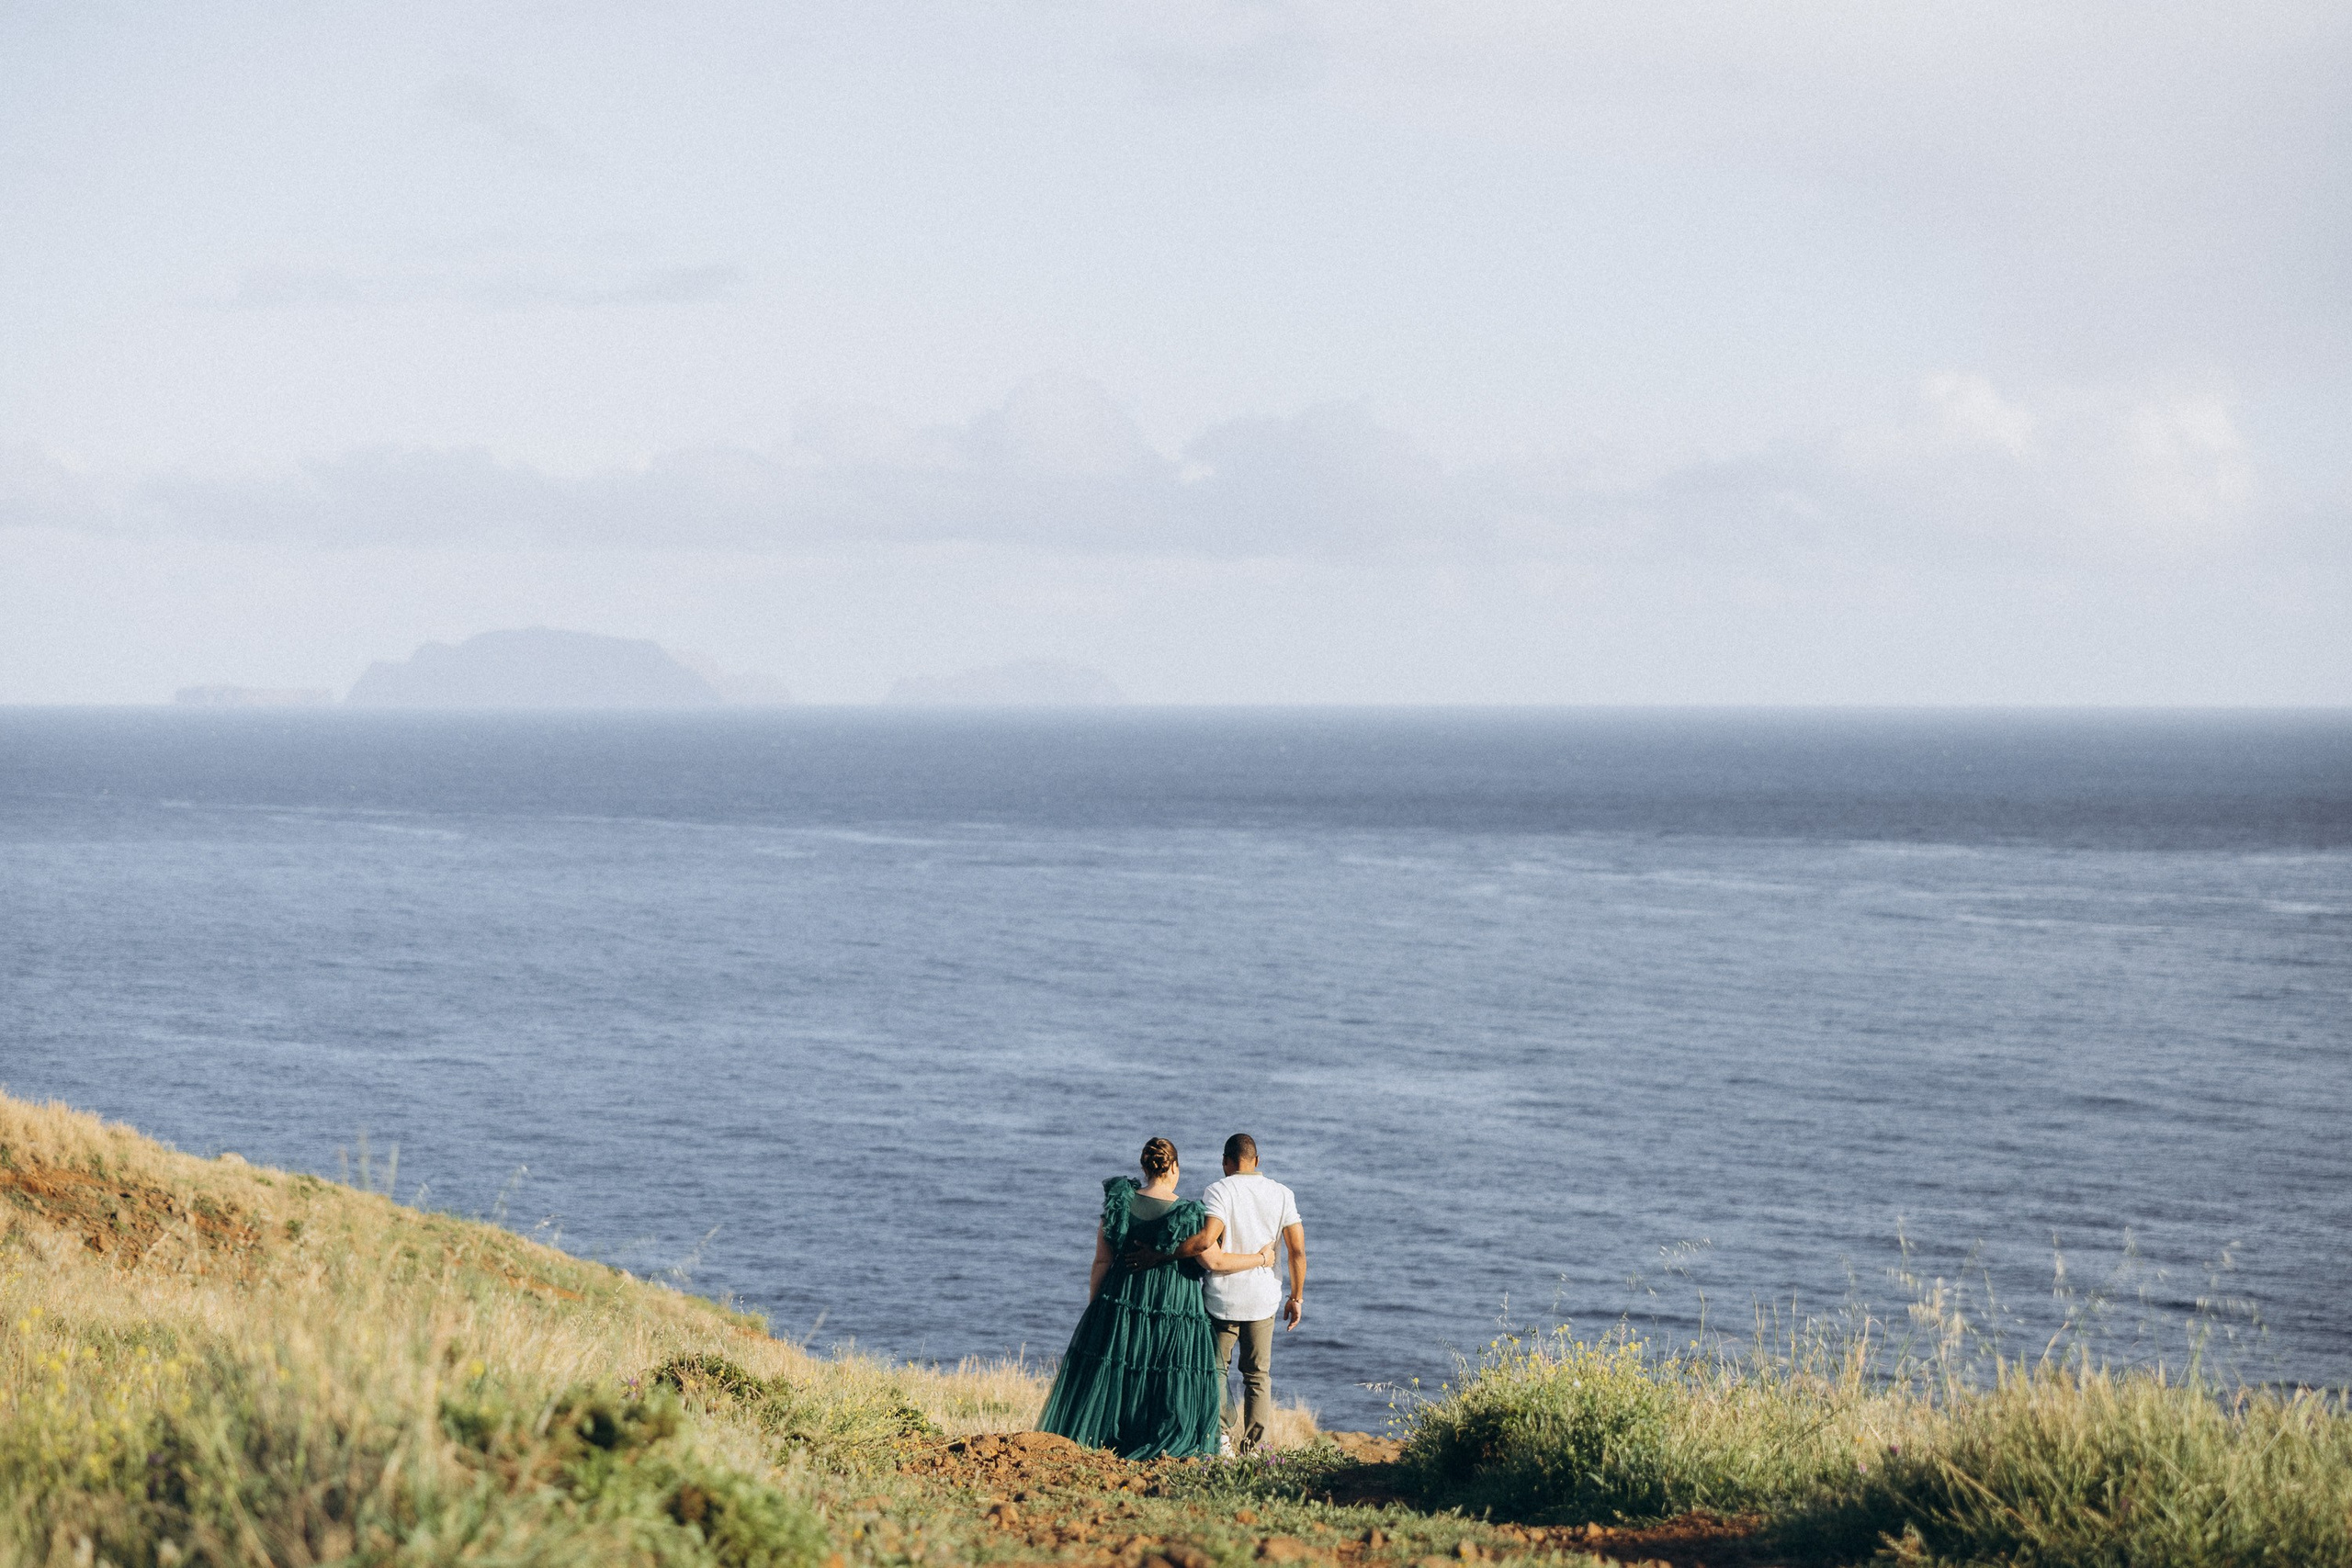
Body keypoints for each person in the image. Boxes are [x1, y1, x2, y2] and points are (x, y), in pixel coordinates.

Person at [1036, 1136, 1274, 1461]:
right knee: (1166, 1374)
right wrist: (1262, 1258)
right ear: (1174, 1167)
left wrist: (1098, 1308)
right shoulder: (1188, 1214)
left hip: (1122, 1298)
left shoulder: (1120, 1203)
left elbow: (1102, 1261)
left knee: (1123, 1370)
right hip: (1173, 1305)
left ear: (1145, 1167)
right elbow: (1215, 1261)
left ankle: (1111, 1440)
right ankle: (1160, 1440)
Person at [1162, 1133, 1305, 1453]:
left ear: (1225, 1162)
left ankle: (1221, 1440)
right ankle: (1254, 1449)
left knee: (1217, 1370)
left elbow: (1205, 1240)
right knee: (1258, 1376)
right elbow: (1297, 1251)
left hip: (1223, 1299)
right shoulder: (1282, 1194)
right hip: (1262, 1300)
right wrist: (1296, 1297)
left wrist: (1163, 1253)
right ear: (1257, 1161)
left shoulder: (1218, 1190)